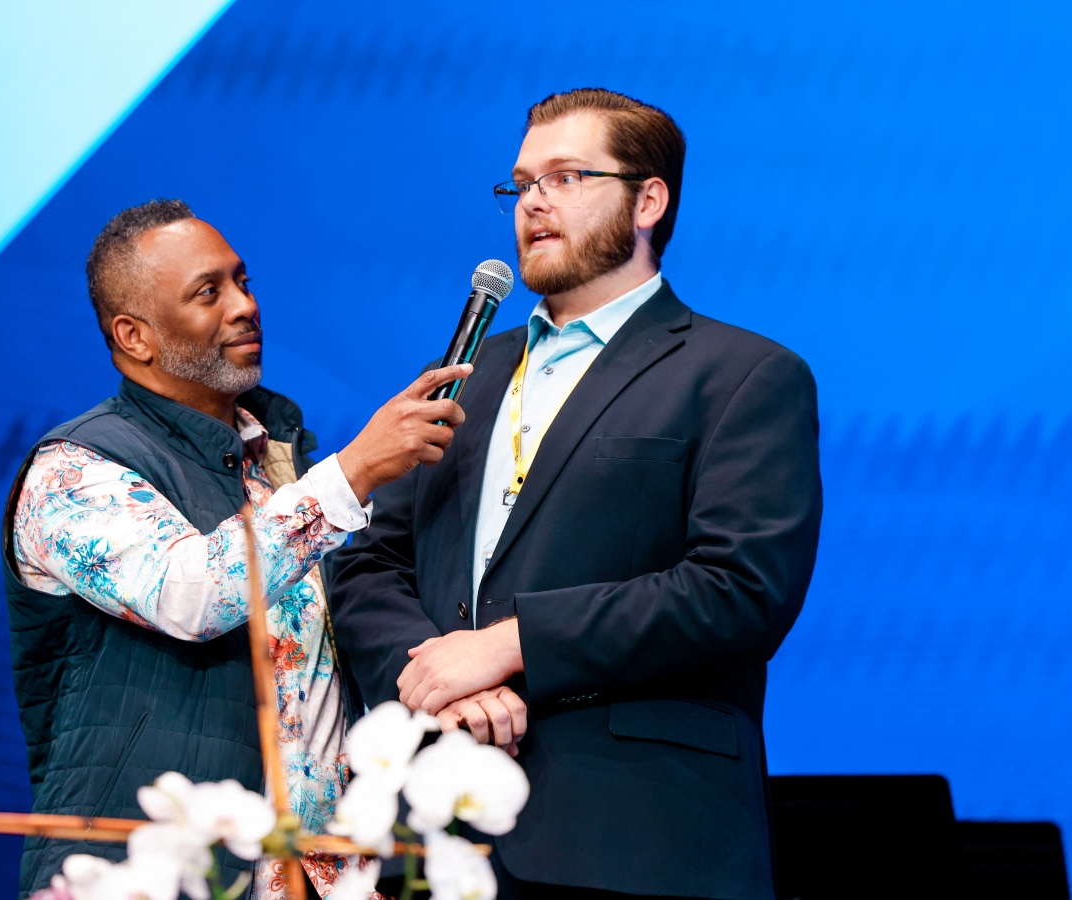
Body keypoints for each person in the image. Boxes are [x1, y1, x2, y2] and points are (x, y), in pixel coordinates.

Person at [329, 89, 823, 899]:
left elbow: (740, 591)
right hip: (439, 835)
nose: (533, 202)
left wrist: (513, 643)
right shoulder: (468, 372)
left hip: (635, 838)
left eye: (565, 178)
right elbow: (370, 566)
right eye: (522, 184)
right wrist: (436, 680)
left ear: (647, 201)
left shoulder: (743, 375)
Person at [0, 199, 469, 899]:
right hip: (149, 873)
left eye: (242, 281)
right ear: (134, 336)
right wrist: (354, 472)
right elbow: (190, 593)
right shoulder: (73, 468)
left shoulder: (279, 465)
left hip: (323, 875)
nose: (245, 306)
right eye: (207, 292)